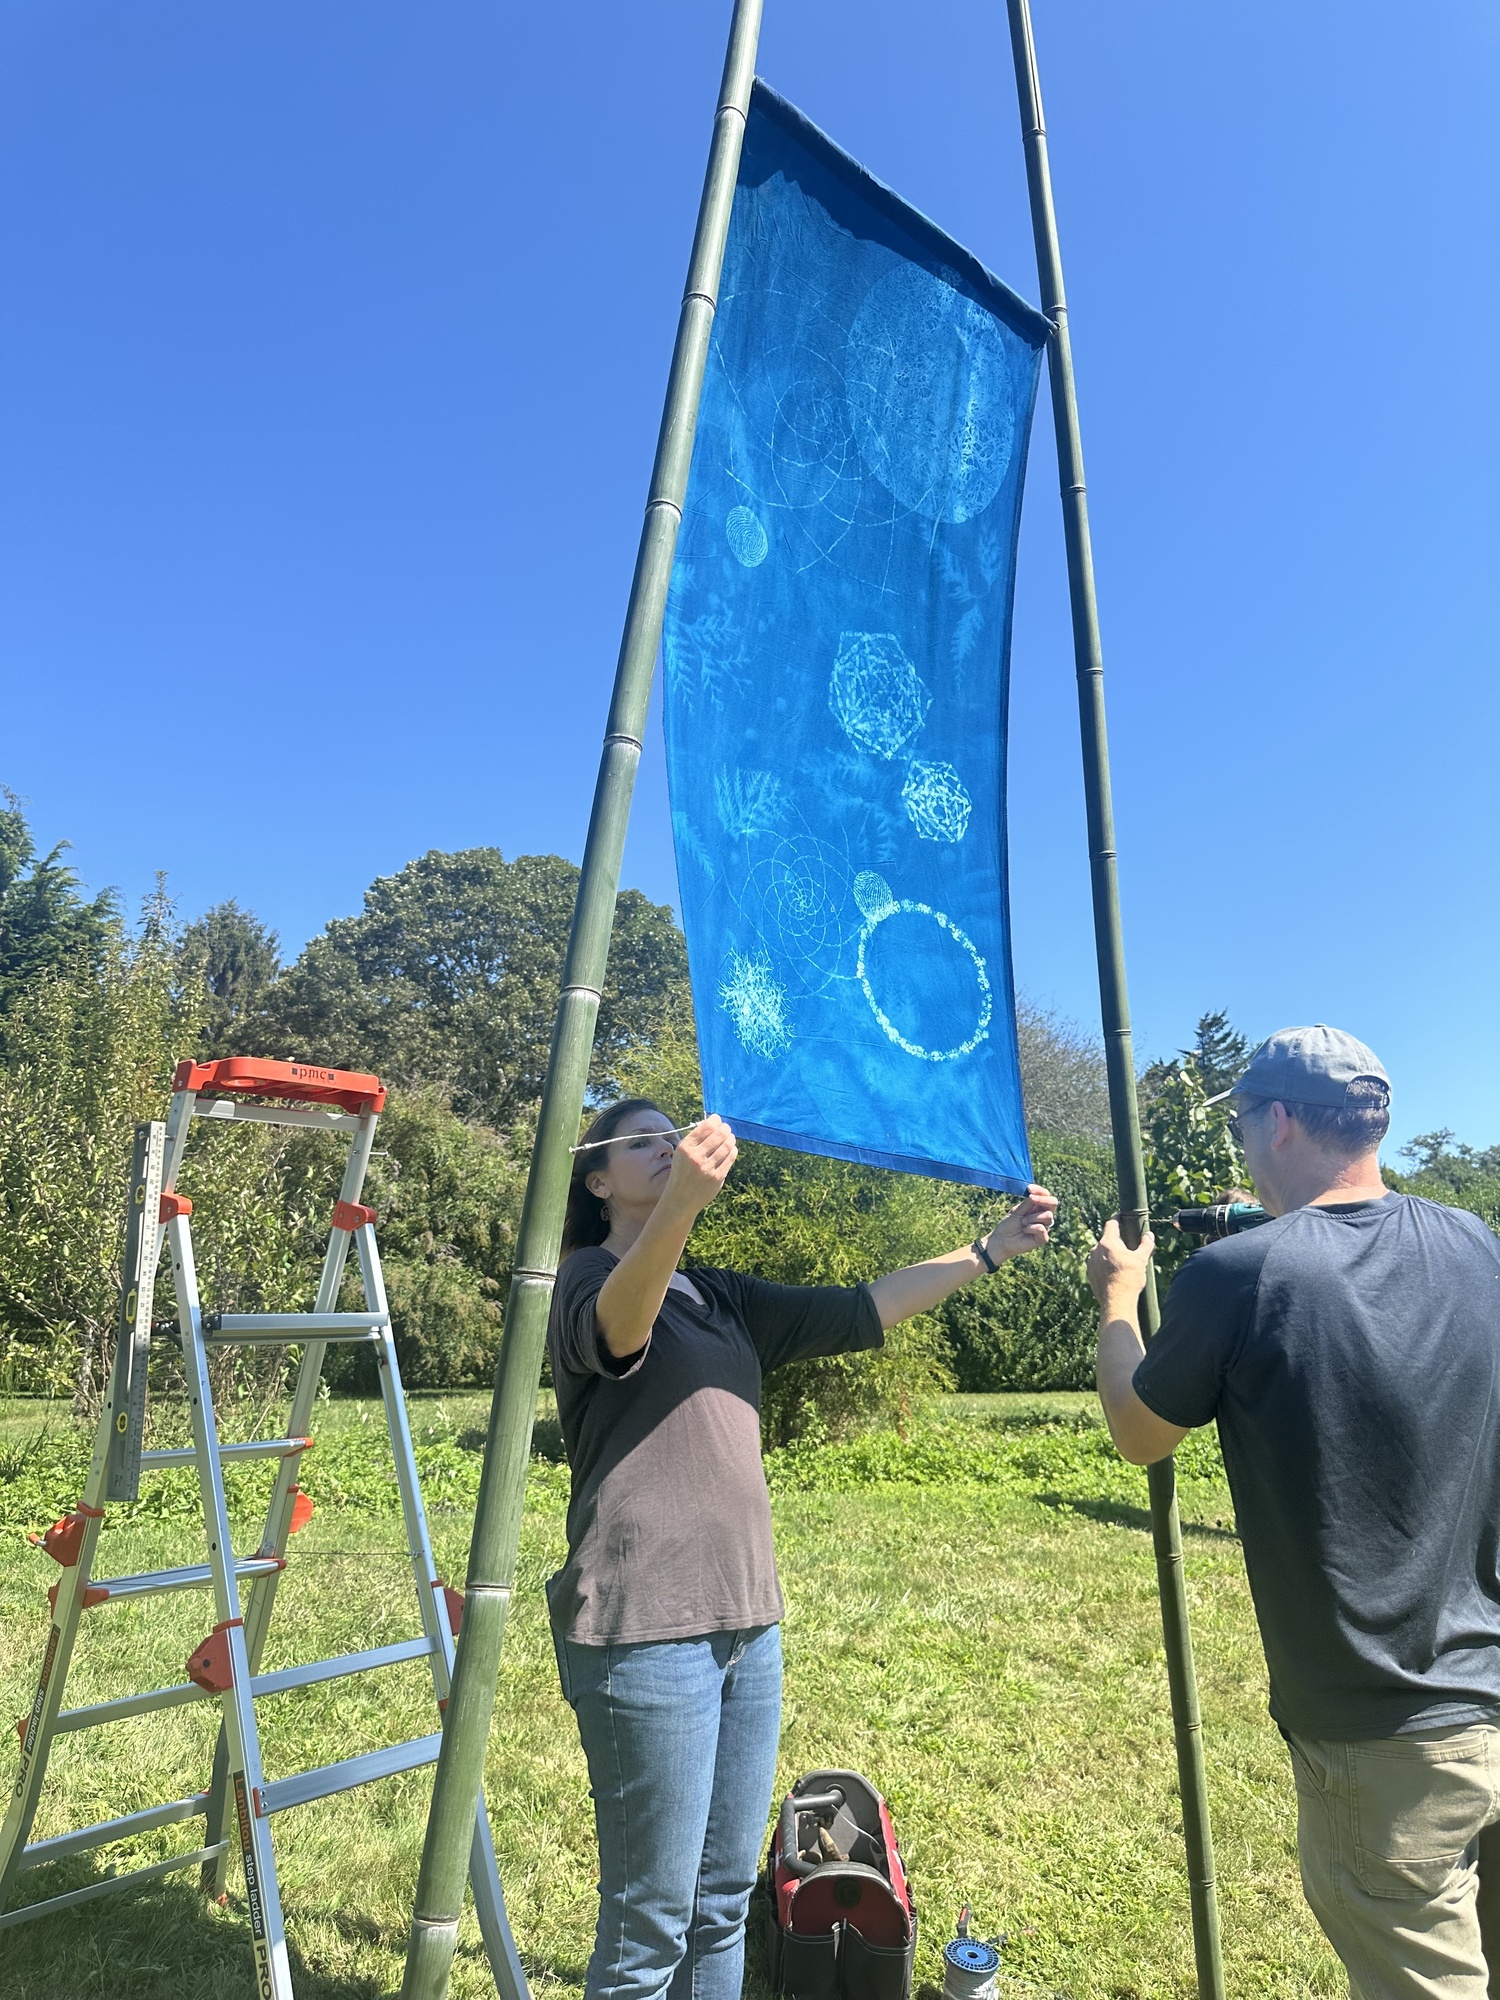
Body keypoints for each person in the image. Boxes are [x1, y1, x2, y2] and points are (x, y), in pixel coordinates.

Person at [547, 1097, 1058, 2000]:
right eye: (644, 1141)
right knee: (649, 1925)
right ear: (597, 1178)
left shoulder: (724, 1297)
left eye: (675, 1133)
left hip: (751, 1624)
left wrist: (988, 1250)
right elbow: (623, 1330)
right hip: (644, 1632)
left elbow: (866, 1308)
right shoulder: (585, 1277)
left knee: (720, 1903)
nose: (669, 1144)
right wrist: (681, 1208)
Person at [1086, 1024, 1500, 1999]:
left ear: (1276, 1122)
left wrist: (1117, 1298)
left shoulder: (1239, 1276)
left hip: (1383, 1725)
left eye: (1240, 1121)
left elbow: (1141, 1431)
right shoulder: (1477, 1244)